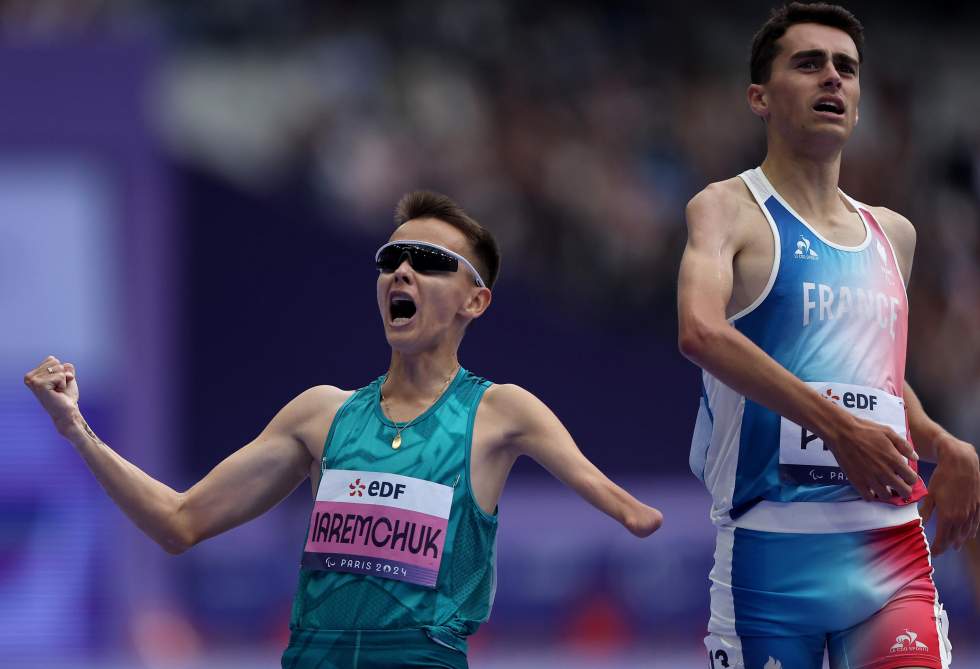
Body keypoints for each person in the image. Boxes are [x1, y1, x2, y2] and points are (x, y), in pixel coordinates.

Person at [24, 190, 663, 668]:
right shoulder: (319, 415)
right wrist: (77, 428)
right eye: (393, 258)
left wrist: (636, 514)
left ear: (476, 300)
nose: (402, 272)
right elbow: (179, 522)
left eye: (430, 261)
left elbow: (614, 498)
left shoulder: (500, 412)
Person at [677, 3, 980, 668]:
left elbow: (879, 378)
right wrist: (839, 429)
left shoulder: (892, 234)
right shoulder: (727, 208)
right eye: (808, 64)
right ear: (760, 96)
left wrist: (943, 442)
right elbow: (700, 331)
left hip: (888, 549)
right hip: (767, 554)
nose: (832, 79)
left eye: (846, 68)